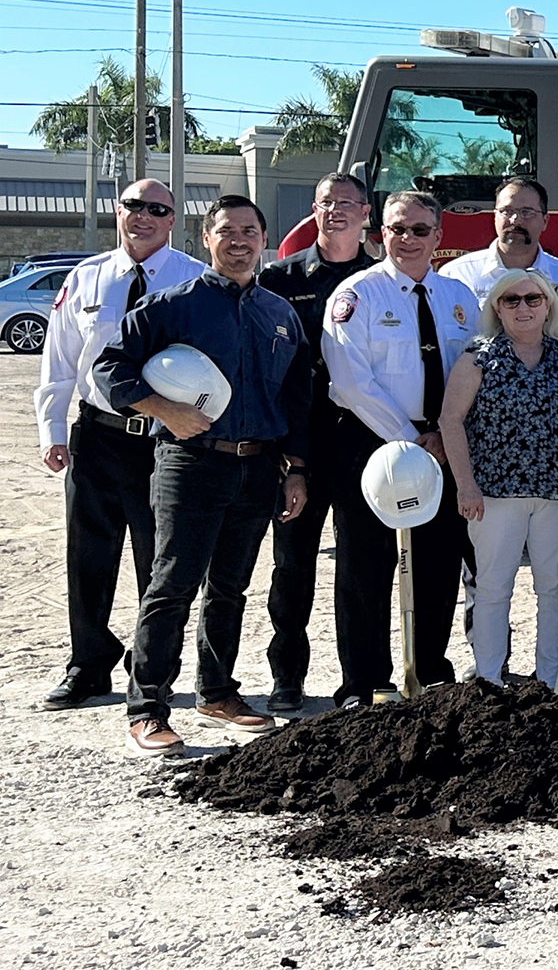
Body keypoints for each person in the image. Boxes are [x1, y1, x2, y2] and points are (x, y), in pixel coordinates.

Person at [91, 195, 310, 754]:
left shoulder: (279, 314)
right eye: (227, 231)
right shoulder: (172, 305)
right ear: (206, 239)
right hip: (191, 463)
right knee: (172, 585)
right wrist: (164, 409)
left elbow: (296, 395)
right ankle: (147, 707)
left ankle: (217, 691)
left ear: (264, 239)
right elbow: (110, 366)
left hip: (258, 464)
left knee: (230, 588)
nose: (239, 241)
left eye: (250, 231)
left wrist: (294, 467)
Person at [31, 178, 205, 709]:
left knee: (163, 561)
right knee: (89, 557)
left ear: (173, 220)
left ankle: (151, 666)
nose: (144, 216)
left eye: (157, 209)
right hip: (98, 437)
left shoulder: (195, 280)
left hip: (163, 441)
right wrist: (53, 430)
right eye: (134, 205)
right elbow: (59, 359)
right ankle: (87, 664)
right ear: (118, 210)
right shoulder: (87, 277)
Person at [321, 191, 479, 701]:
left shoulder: (460, 298)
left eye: (418, 229)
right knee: (365, 565)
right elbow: (351, 381)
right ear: (380, 232)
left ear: (438, 236)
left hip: (444, 444)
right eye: (396, 228)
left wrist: (442, 436)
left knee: (437, 562)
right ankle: (364, 681)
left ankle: (429, 667)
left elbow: (475, 371)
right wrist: (413, 440)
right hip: (374, 442)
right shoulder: (357, 295)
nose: (406, 238)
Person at [256, 172, 380, 711]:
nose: (336, 211)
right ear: (314, 209)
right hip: (295, 445)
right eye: (327, 202)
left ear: (366, 213)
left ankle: (360, 681)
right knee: (292, 565)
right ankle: (288, 677)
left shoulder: (381, 279)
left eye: (347, 204)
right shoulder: (279, 278)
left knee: (361, 565)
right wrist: (286, 457)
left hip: (359, 443)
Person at [438, 270, 558, 686]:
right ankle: (489, 678)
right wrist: (466, 484)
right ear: (497, 308)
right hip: (494, 494)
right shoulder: (477, 356)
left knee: (556, 588)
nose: (523, 307)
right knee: (493, 587)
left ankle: (551, 678)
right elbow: (451, 421)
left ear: (548, 306)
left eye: (533, 299)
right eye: (512, 300)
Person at [439, 176, 558, 304]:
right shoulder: (457, 275)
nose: (515, 220)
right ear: (494, 217)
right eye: (507, 211)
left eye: (526, 212)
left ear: (545, 221)